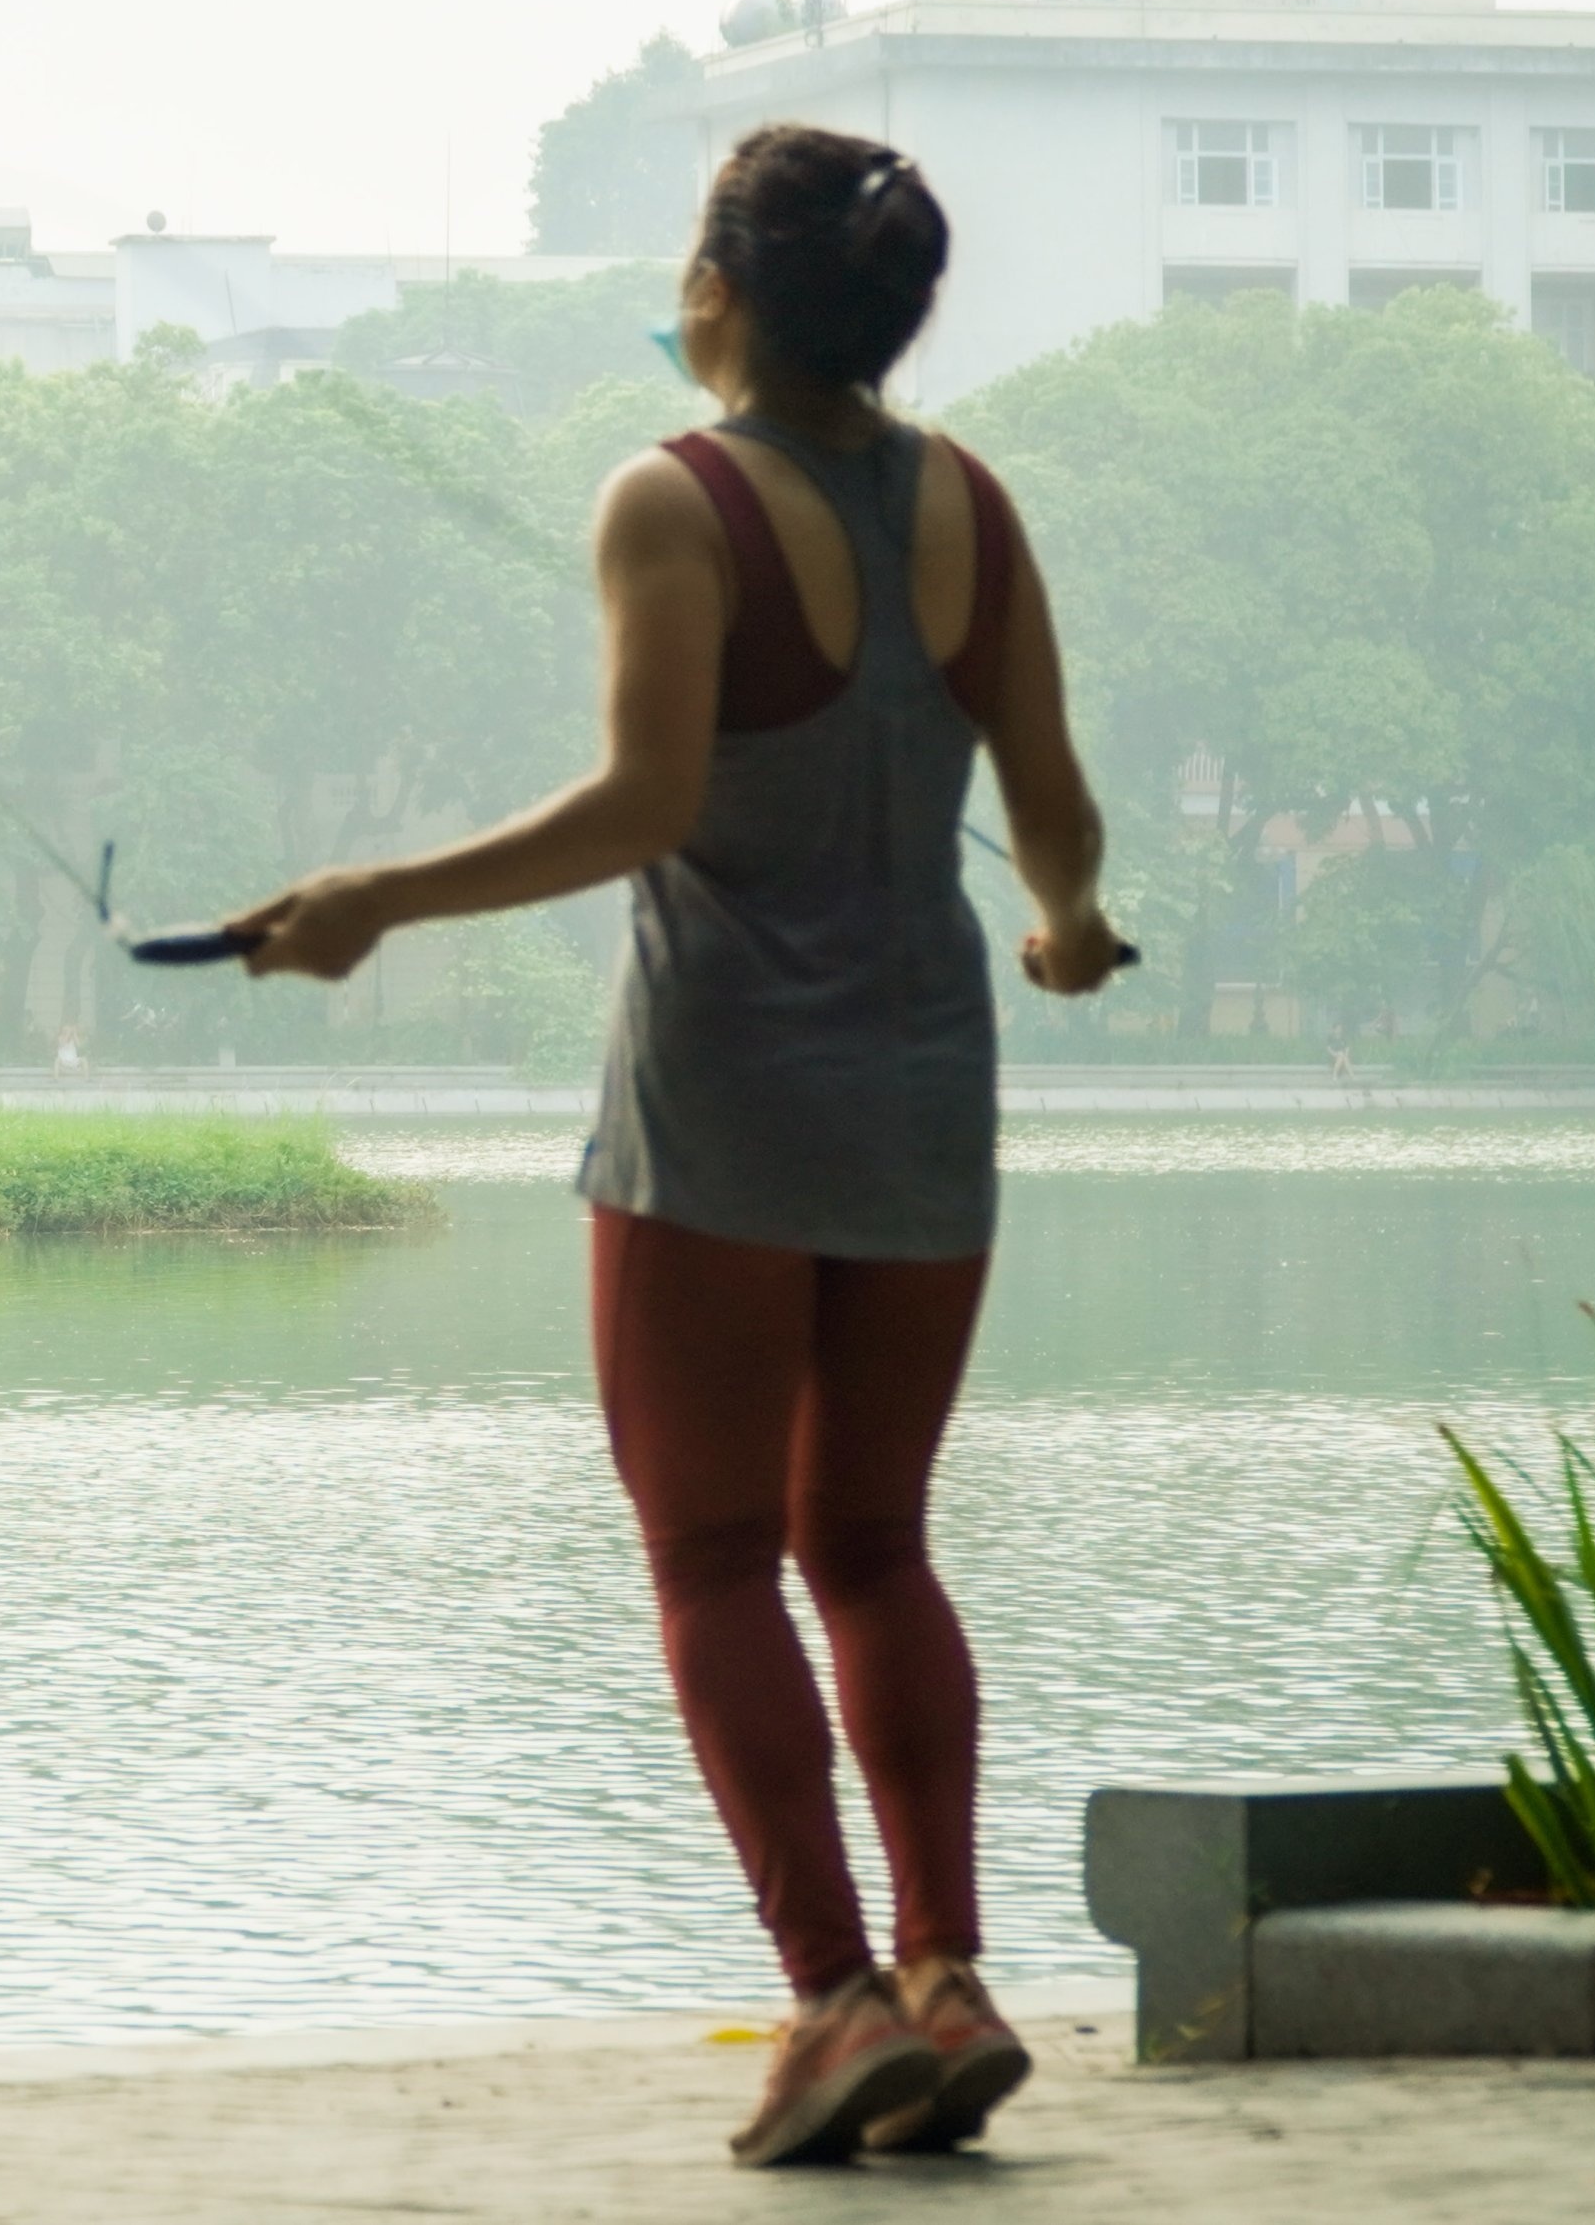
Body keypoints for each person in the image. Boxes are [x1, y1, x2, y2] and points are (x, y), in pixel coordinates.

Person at [215, 127, 1121, 2169]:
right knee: (872, 1543)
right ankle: (947, 1978)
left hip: (716, 1110)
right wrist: (1065, 927)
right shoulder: (972, 509)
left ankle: (830, 2004)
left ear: (717, 287)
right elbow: (1052, 805)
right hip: (923, 1099)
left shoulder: (670, 497)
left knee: (714, 1554)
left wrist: (370, 897)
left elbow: (645, 801)